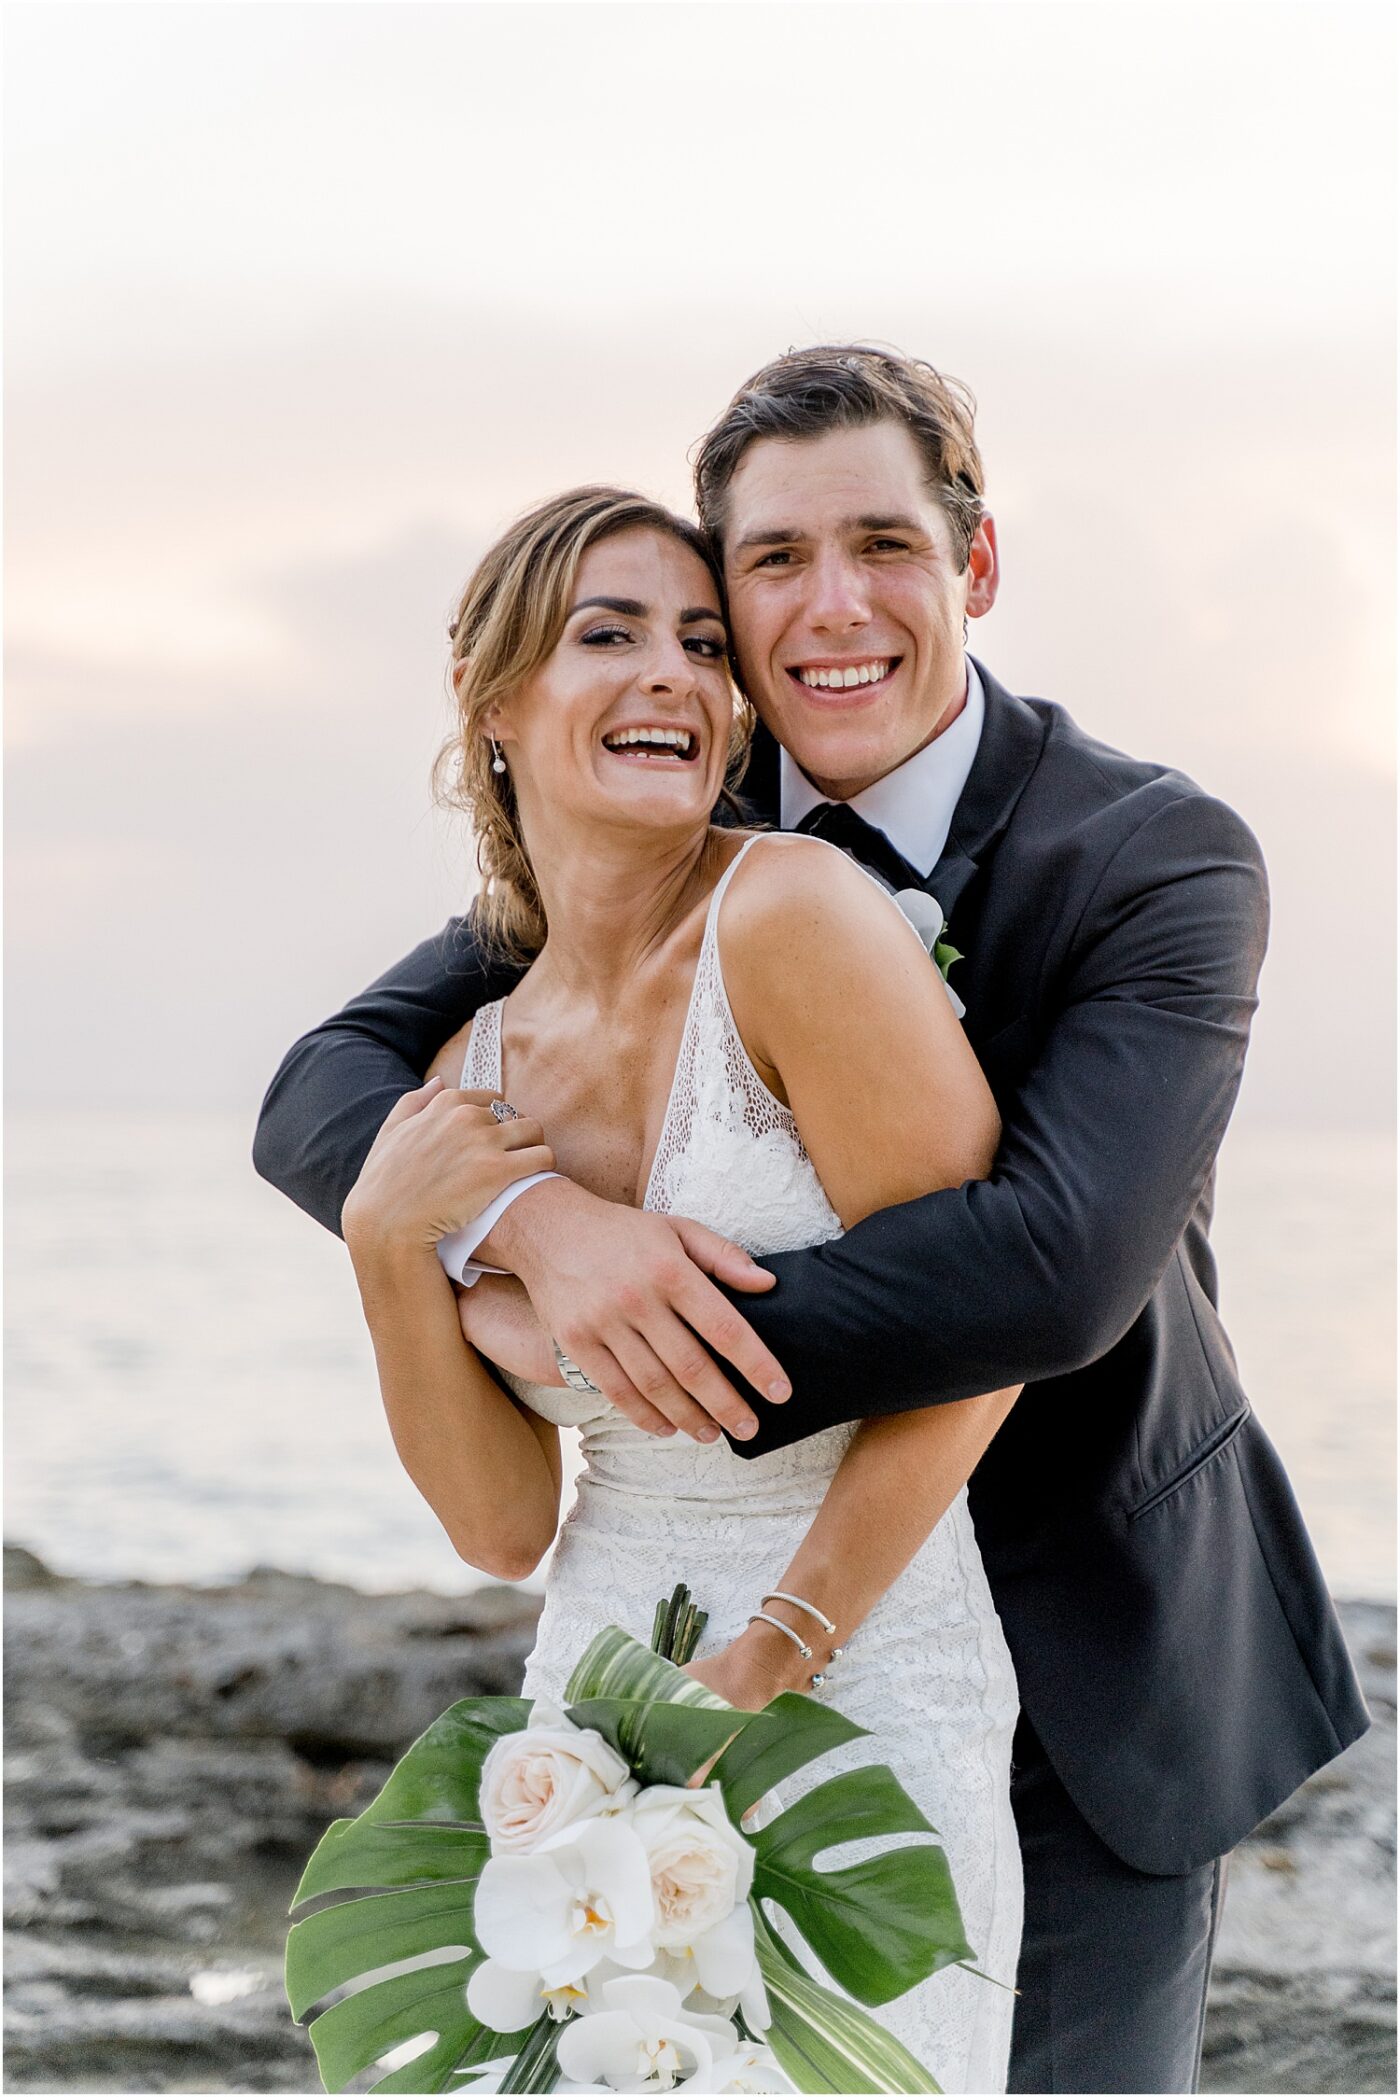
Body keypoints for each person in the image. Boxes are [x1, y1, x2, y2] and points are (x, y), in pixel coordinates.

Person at [254, 346, 1369, 2094]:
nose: (830, 606)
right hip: (658, 1654)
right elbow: (329, 1085)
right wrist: (525, 1226)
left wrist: (604, 1344)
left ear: (975, 564)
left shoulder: (1152, 856)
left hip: (1086, 1636)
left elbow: (1053, 1271)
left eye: (885, 545)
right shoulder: (660, 807)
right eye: (772, 561)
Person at [336, 484, 1026, 2092]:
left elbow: (985, 1328)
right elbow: (502, 1523)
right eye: (609, 634)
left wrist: (764, 1664)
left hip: (864, 1671)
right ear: (494, 699)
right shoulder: (468, 1068)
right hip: (590, 1686)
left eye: (705, 644)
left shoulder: (791, 915)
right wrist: (387, 1246)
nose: (672, 673)